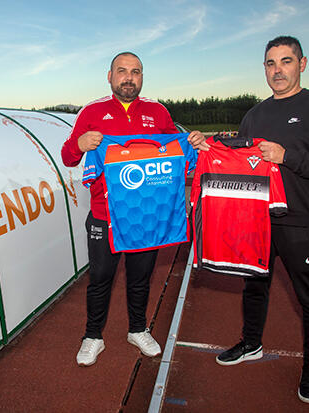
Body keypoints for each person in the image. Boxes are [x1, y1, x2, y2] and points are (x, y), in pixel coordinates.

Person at [214, 36, 309, 404]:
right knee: (254, 287)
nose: (278, 70)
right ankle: (252, 342)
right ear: (264, 68)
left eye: (286, 61)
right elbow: (238, 157)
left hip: (299, 221)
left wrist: (287, 155)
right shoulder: (255, 114)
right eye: (271, 63)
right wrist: (206, 145)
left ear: (302, 64)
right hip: (256, 220)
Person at [61, 51, 205, 366]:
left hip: (145, 217)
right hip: (105, 215)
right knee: (100, 278)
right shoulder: (91, 112)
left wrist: (192, 141)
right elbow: (68, 157)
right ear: (109, 76)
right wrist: (79, 144)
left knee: (141, 278)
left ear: (142, 77)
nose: (129, 77)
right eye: (122, 71)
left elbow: (176, 152)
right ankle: (92, 336)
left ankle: (137, 329)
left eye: (136, 72)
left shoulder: (158, 112)